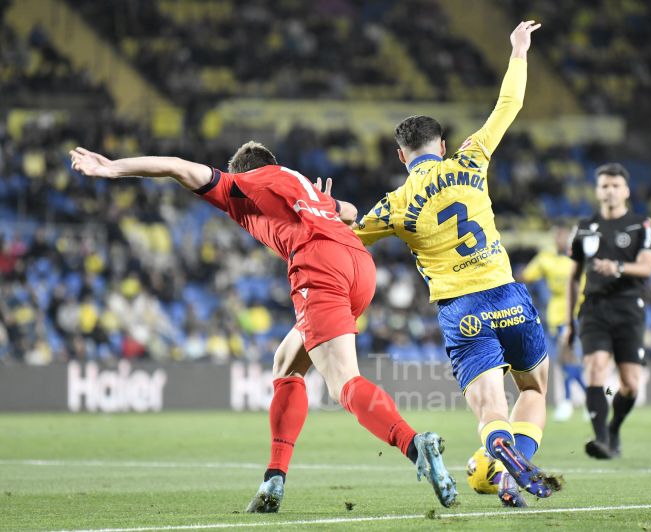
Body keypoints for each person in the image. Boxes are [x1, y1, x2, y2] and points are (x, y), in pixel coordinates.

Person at [68, 142, 457, 512]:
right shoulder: (298, 183)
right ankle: (274, 477)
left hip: (319, 265)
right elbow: (352, 212)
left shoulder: (246, 184)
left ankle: (414, 443)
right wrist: (324, 205)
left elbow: (177, 167)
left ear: (245, 172)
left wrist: (111, 167)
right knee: (285, 363)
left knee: (343, 383)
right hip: (359, 264)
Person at [354, 21, 560, 508]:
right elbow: (508, 105)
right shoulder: (471, 159)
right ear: (442, 146)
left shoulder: (394, 205)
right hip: (507, 293)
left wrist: (319, 204)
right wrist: (518, 50)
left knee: (491, 406)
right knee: (535, 389)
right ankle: (511, 466)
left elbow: (342, 233)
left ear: (401, 155)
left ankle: (500, 450)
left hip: (460, 310)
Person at [565, 163, 651, 459]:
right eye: (605, 185)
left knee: (630, 383)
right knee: (595, 368)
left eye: (616, 185)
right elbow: (573, 276)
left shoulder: (641, 225)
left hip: (629, 308)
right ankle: (600, 439)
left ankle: (614, 428)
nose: (610, 190)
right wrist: (568, 322)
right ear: (597, 190)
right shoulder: (583, 228)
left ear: (626, 191)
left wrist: (617, 267)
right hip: (594, 308)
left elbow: (647, 267)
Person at [519, 220, 586, 422]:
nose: (561, 239)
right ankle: (587, 399)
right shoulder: (546, 258)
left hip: (573, 315)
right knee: (565, 360)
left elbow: (583, 288)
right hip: (555, 315)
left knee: (567, 359)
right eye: (558, 235)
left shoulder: (578, 259)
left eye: (564, 236)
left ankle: (574, 401)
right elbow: (526, 275)